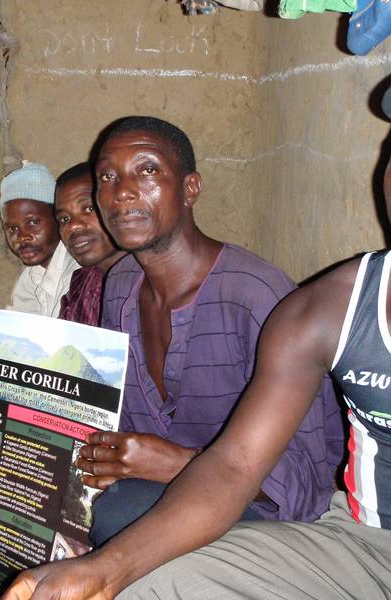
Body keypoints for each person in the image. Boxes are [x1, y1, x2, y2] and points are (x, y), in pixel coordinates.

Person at [4, 45, 391, 600]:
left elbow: (298, 480)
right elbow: (235, 464)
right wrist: (105, 572)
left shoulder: (256, 294)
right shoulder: (329, 306)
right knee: (153, 580)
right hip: (356, 549)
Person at [67, 117, 341, 547]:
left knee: (124, 510)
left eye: (148, 170)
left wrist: (179, 464)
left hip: (264, 517)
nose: (122, 191)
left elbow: (310, 484)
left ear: (190, 189)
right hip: (155, 495)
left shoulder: (256, 297)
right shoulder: (120, 284)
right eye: (108, 176)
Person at [0, 161, 79, 317]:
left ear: (58, 219)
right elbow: (22, 330)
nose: (22, 236)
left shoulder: (77, 272)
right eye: (12, 228)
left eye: (33, 222)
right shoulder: (31, 276)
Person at [54, 162, 126, 326]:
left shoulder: (149, 284)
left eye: (88, 209)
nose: (73, 226)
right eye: (64, 219)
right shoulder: (80, 282)